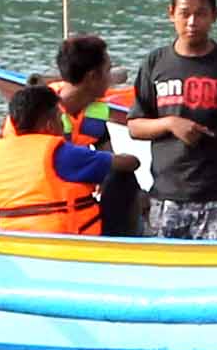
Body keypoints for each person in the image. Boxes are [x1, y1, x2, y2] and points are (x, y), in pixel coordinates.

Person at [126, 0, 217, 239]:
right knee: (167, 273)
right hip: (168, 196)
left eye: (201, 14)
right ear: (171, 14)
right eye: (185, 13)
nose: (192, 22)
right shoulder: (155, 63)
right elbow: (134, 126)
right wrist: (169, 123)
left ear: (215, 16)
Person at [0, 79, 126, 236]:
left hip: (15, 239)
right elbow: (128, 163)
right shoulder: (63, 153)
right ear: (49, 125)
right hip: (69, 241)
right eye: (59, 119)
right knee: (124, 177)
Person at [51, 30, 149, 233]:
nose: (111, 77)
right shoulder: (45, 110)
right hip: (52, 202)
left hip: (80, 201)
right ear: (92, 77)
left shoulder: (93, 109)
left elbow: (108, 153)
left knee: (126, 180)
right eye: (108, 70)